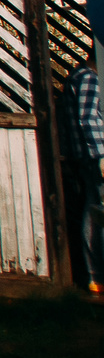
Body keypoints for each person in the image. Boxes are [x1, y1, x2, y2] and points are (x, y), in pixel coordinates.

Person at [73, 44, 104, 296]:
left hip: (86, 158)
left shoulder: (78, 76)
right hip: (97, 158)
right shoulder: (90, 78)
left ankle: (95, 277)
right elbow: (89, 119)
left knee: (93, 211)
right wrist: (102, 156)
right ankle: (97, 274)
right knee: (99, 215)